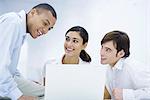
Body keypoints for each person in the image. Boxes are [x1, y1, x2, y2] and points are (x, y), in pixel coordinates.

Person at [0, 3, 57, 100]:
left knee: (47, 92)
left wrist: (28, 83)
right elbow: (1, 66)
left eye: (49, 28)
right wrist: (19, 96)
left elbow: (11, 69)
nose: (46, 31)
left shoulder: (20, 30)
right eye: (45, 23)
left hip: (6, 78)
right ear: (33, 12)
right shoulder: (13, 22)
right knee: (45, 95)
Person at [100, 30, 150, 100]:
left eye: (108, 50)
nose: (101, 53)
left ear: (121, 53)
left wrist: (125, 94)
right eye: (102, 47)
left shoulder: (134, 68)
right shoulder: (110, 67)